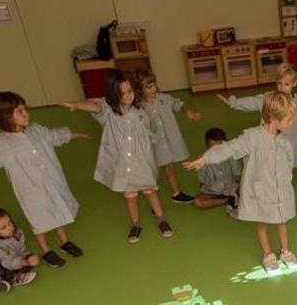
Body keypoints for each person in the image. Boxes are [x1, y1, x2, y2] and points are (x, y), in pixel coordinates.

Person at [0, 91, 90, 268]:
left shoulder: (36, 130)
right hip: (31, 191)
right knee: (39, 220)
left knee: (59, 211)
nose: (26, 114)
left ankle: (64, 242)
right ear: (5, 117)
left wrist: (73, 134)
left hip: (52, 182)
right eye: (19, 111)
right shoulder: (2, 145)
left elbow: (53, 136)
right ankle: (46, 251)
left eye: (25, 109)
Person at [184, 92, 297, 273]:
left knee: (282, 219)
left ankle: (285, 250)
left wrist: (287, 182)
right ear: (273, 118)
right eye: (288, 119)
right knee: (262, 222)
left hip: (280, 190)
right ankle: (268, 254)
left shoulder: (283, 141)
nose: (291, 123)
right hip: (261, 191)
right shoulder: (251, 138)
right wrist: (205, 159)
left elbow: (289, 162)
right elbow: (228, 149)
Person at [59, 70, 173, 242]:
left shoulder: (140, 111)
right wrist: (77, 104)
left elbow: (148, 135)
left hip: (142, 161)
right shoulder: (109, 113)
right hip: (125, 164)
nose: (127, 96)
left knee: (150, 192)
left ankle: (161, 219)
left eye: (129, 91)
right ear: (114, 95)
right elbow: (96, 107)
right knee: (131, 196)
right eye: (122, 93)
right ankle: (135, 224)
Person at [220, 63, 297, 198]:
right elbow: (252, 101)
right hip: (274, 143)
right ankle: (275, 191)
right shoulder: (269, 99)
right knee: (274, 168)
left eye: (286, 84)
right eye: (279, 84)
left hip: (295, 142)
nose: (282, 88)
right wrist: (234, 102)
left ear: (294, 83)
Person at [135, 68, 201, 204]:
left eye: (154, 85)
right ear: (139, 89)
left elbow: (177, 104)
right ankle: (152, 195)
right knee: (155, 170)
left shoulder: (164, 99)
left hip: (167, 142)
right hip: (153, 145)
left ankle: (176, 193)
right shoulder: (139, 107)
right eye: (149, 87)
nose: (154, 89)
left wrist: (187, 112)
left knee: (170, 167)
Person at [193, 127, 240, 217]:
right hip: (213, 190)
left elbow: (237, 175)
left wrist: (238, 189)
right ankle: (228, 201)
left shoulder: (231, 156)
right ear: (207, 147)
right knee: (197, 202)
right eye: (212, 148)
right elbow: (202, 180)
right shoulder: (202, 159)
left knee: (244, 191)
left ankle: (234, 200)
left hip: (230, 189)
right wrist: (203, 191)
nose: (216, 152)